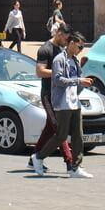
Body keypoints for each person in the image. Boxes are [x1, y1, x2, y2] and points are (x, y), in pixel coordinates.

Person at [32, 32, 93, 178]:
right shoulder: (59, 60)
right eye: (79, 46)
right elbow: (58, 80)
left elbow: (76, 80)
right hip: (62, 103)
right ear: (71, 43)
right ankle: (38, 157)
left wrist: (84, 83)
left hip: (74, 102)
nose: (80, 50)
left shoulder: (76, 61)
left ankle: (75, 167)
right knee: (61, 136)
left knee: (78, 135)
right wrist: (79, 81)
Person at [29, 27, 71, 174]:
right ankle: (70, 162)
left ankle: (33, 158)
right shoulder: (45, 49)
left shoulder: (61, 50)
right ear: (59, 34)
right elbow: (40, 71)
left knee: (50, 128)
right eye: (65, 38)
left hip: (58, 95)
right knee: (59, 129)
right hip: (48, 95)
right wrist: (58, 74)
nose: (66, 42)